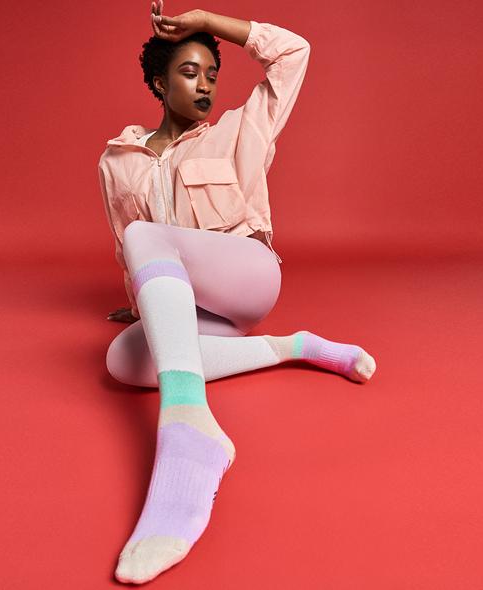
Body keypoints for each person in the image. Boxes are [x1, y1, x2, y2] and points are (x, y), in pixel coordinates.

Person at [98, 2, 377, 583]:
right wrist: (147, 301)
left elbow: (294, 51)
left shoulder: (240, 128)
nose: (205, 85)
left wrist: (208, 20)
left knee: (147, 236)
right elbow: (126, 243)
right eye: (189, 72)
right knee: (122, 360)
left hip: (250, 277)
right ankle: (293, 347)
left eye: (211, 74)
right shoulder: (118, 160)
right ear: (158, 82)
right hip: (194, 306)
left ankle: (188, 430)